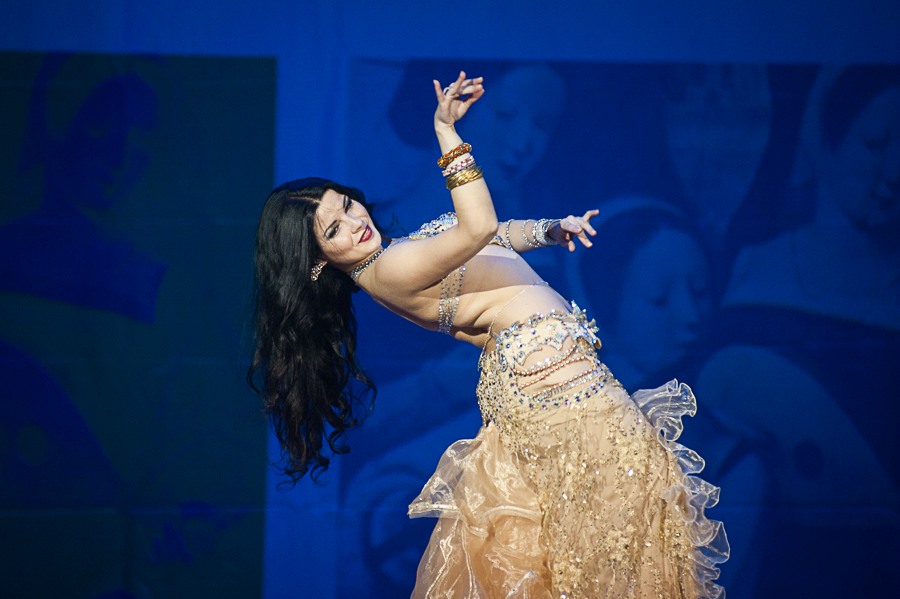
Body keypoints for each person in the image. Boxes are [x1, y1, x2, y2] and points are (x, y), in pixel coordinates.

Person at [247, 71, 728, 598]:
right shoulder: (388, 270)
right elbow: (476, 227)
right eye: (334, 229)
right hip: (554, 390)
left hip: (559, 383)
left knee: (618, 536)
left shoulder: (396, 253)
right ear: (317, 263)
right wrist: (447, 133)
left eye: (344, 204)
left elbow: (490, 238)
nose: (355, 220)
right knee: (618, 538)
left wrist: (549, 230)